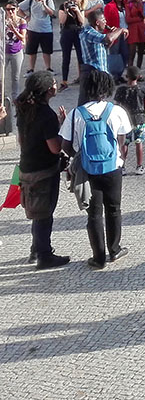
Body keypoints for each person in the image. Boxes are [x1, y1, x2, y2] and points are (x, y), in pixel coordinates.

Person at [59, 70, 133, 269]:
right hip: (112, 167)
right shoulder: (116, 111)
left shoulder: (76, 114)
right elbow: (122, 139)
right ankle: (115, 249)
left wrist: (79, 154)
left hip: (87, 169)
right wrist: (119, 158)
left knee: (94, 213)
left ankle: (98, 257)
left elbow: (65, 146)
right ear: (107, 88)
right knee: (114, 209)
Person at [16, 70, 70, 269]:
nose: (56, 85)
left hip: (26, 166)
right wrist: (63, 129)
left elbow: (22, 141)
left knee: (35, 211)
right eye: (54, 83)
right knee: (44, 214)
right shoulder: (46, 114)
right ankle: (44, 256)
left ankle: (35, 249)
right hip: (44, 171)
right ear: (49, 90)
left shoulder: (24, 109)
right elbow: (55, 148)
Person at [114, 66, 145, 176]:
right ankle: (139, 166)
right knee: (139, 142)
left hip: (125, 120)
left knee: (124, 143)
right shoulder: (142, 90)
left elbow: (116, 106)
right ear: (139, 77)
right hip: (139, 119)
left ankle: (122, 166)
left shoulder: (121, 90)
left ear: (126, 76)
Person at [19, 0, 56, 73]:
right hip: (33, 29)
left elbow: (51, 13)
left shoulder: (48, 0)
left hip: (46, 30)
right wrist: (25, 17)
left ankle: (48, 68)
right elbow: (18, 8)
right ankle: (31, 69)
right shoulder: (30, 1)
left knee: (47, 51)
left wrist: (44, 4)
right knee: (32, 51)